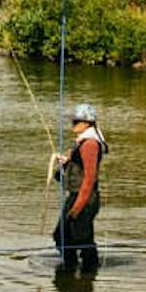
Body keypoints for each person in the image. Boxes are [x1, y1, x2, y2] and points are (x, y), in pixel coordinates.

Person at [50, 104, 105, 272]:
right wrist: (66, 162)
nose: (72, 124)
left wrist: (77, 208)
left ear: (87, 123)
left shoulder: (90, 144)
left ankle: (88, 273)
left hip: (85, 198)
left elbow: (89, 178)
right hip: (76, 196)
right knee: (62, 236)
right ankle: (71, 272)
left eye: (76, 121)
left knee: (82, 239)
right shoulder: (82, 142)